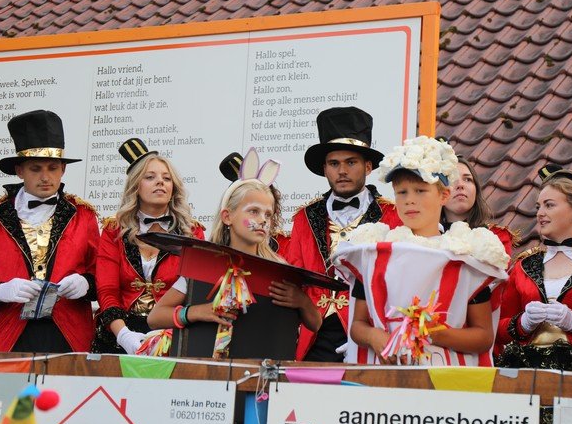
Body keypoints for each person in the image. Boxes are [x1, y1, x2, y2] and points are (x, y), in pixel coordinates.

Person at [338, 136, 509, 365]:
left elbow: (483, 336)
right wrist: (374, 336)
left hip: (444, 378)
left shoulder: (463, 256)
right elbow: (357, 325)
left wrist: (431, 332)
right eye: (402, 192)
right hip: (384, 375)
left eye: (420, 190)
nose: (410, 200)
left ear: (444, 195)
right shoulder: (375, 252)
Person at [148, 163, 321, 359]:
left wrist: (302, 301)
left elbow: (315, 324)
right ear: (227, 216)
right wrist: (196, 312)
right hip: (207, 372)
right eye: (253, 211)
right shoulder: (203, 267)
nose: (263, 220)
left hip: (261, 374)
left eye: (268, 214)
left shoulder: (280, 271)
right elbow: (155, 318)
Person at [0, 110, 99, 352]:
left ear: (63, 170)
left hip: (72, 335)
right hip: (12, 334)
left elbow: (104, 277)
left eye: (53, 168)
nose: (46, 177)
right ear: (19, 170)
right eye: (36, 169)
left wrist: (86, 284)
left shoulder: (84, 216)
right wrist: (1, 290)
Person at [284, 107, 402, 362]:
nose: (342, 171)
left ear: (368, 166)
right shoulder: (304, 217)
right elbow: (294, 278)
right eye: (334, 163)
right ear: (324, 168)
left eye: (351, 162)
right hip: (314, 335)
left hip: (372, 331)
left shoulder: (393, 215)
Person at [91, 138, 205, 354]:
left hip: (172, 333)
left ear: (173, 188)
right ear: (136, 186)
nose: (160, 182)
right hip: (120, 333)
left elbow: (193, 293)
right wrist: (123, 335)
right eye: (150, 177)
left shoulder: (192, 232)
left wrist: (166, 334)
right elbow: (107, 290)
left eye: (166, 178)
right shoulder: (114, 230)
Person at [496, 165, 572, 371]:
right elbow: (497, 329)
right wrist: (522, 323)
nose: (540, 213)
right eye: (538, 207)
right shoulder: (525, 265)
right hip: (528, 372)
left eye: (549, 205)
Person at [441, 156, 518, 258]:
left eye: (467, 179)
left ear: (476, 190)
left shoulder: (497, 237)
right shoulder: (426, 239)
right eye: (451, 179)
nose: (460, 185)